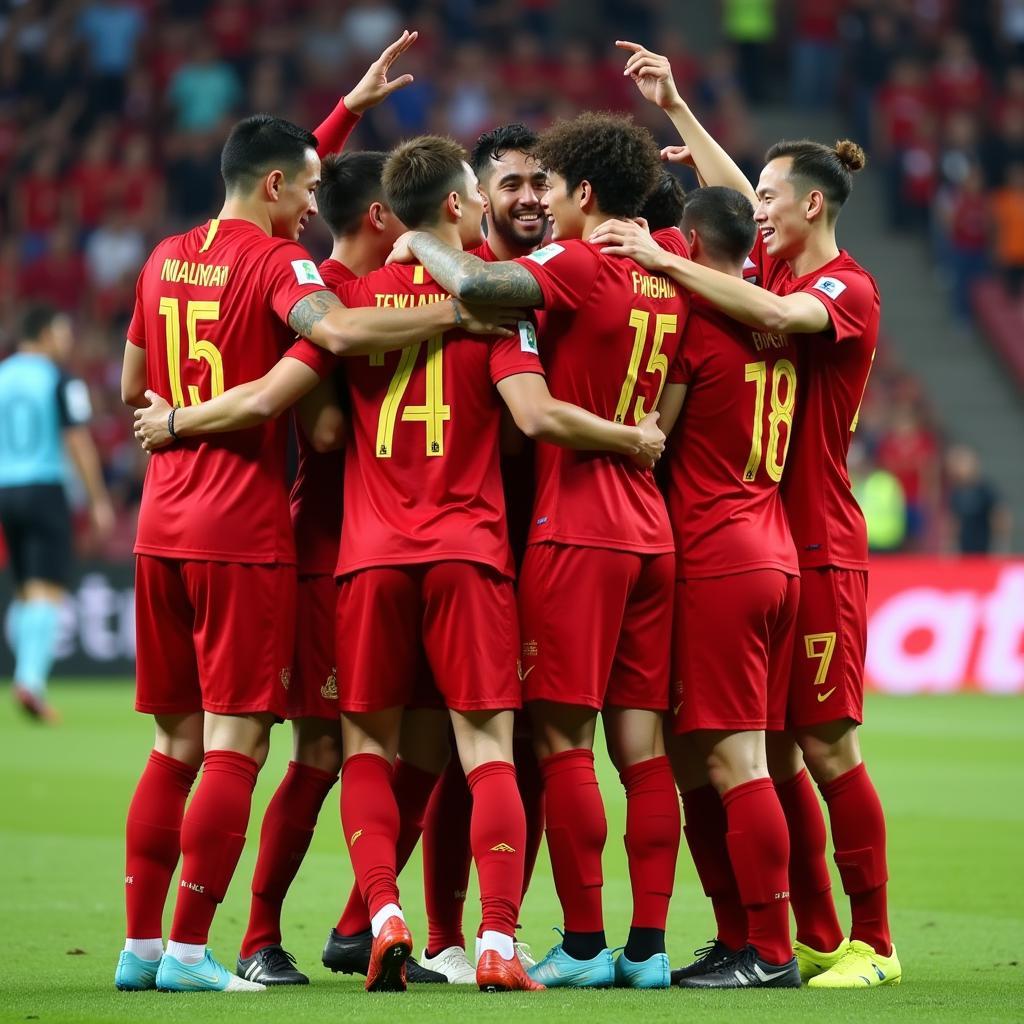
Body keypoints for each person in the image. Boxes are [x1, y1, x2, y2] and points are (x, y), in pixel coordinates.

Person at [133, 132, 664, 994]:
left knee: (360, 749)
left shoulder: (351, 303)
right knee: (489, 748)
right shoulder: (500, 310)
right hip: (474, 553)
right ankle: (495, 938)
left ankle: (381, 916)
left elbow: (328, 421)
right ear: (458, 204)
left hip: (364, 559)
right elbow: (531, 413)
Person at [115, 105, 517, 996]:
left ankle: (163, 945)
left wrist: (173, 415)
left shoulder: (161, 257)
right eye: (298, 185)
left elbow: (133, 384)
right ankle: (220, 943)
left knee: (188, 741)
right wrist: (456, 317)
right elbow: (321, 399)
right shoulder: (306, 276)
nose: (306, 200)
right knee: (285, 749)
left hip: (174, 524)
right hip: (277, 541)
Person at [594, 39, 900, 989]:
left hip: (817, 541)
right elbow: (728, 216)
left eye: (774, 196)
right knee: (768, 749)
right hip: (771, 537)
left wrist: (656, 255)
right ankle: (809, 934)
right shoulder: (767, 279)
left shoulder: (840, 289)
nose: (756, 209)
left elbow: (737, 266)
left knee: (822, 743)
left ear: (812, 205)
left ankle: (876, 943)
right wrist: (680, 106)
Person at [396, 111, 687, 990]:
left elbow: (482, 290)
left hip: (579, 527)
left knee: (561, 744)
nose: (540, 202)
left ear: (584, 194)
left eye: (550, 187)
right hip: (651, 531)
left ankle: (589, 946)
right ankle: (650, 947)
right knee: (642, 752)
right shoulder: (667, 279)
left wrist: (421, 243)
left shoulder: (575, 262)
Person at [652, 186, 803, 989]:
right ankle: (734, 934)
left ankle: (772, 953)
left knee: (738, 761)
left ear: (685, 241)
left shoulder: (697, 326)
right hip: (772, 550)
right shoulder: (778, 312)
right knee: (697, 760)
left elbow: (653, 437)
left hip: (720, 557)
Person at [414, 121, 551, 984]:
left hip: (549, 542)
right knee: (446, 750)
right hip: (469, 541)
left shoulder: (559, 275)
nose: (530, 197)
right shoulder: (473, 286)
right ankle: (436, 931)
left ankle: (498, 925)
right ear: (478, 198)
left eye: (541, 182)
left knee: (524, 747)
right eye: (512, 184)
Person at [0, 304, 114, 723]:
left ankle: (25, 673)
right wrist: (98, 498)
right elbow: (77, 439)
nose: (67, 342)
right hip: (45, 487)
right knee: (49, 587)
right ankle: (30, 681)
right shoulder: (59, 379)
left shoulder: (2, 376)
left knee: (27, 588)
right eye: (63, 332)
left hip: (5, 490)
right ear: (45, 333)